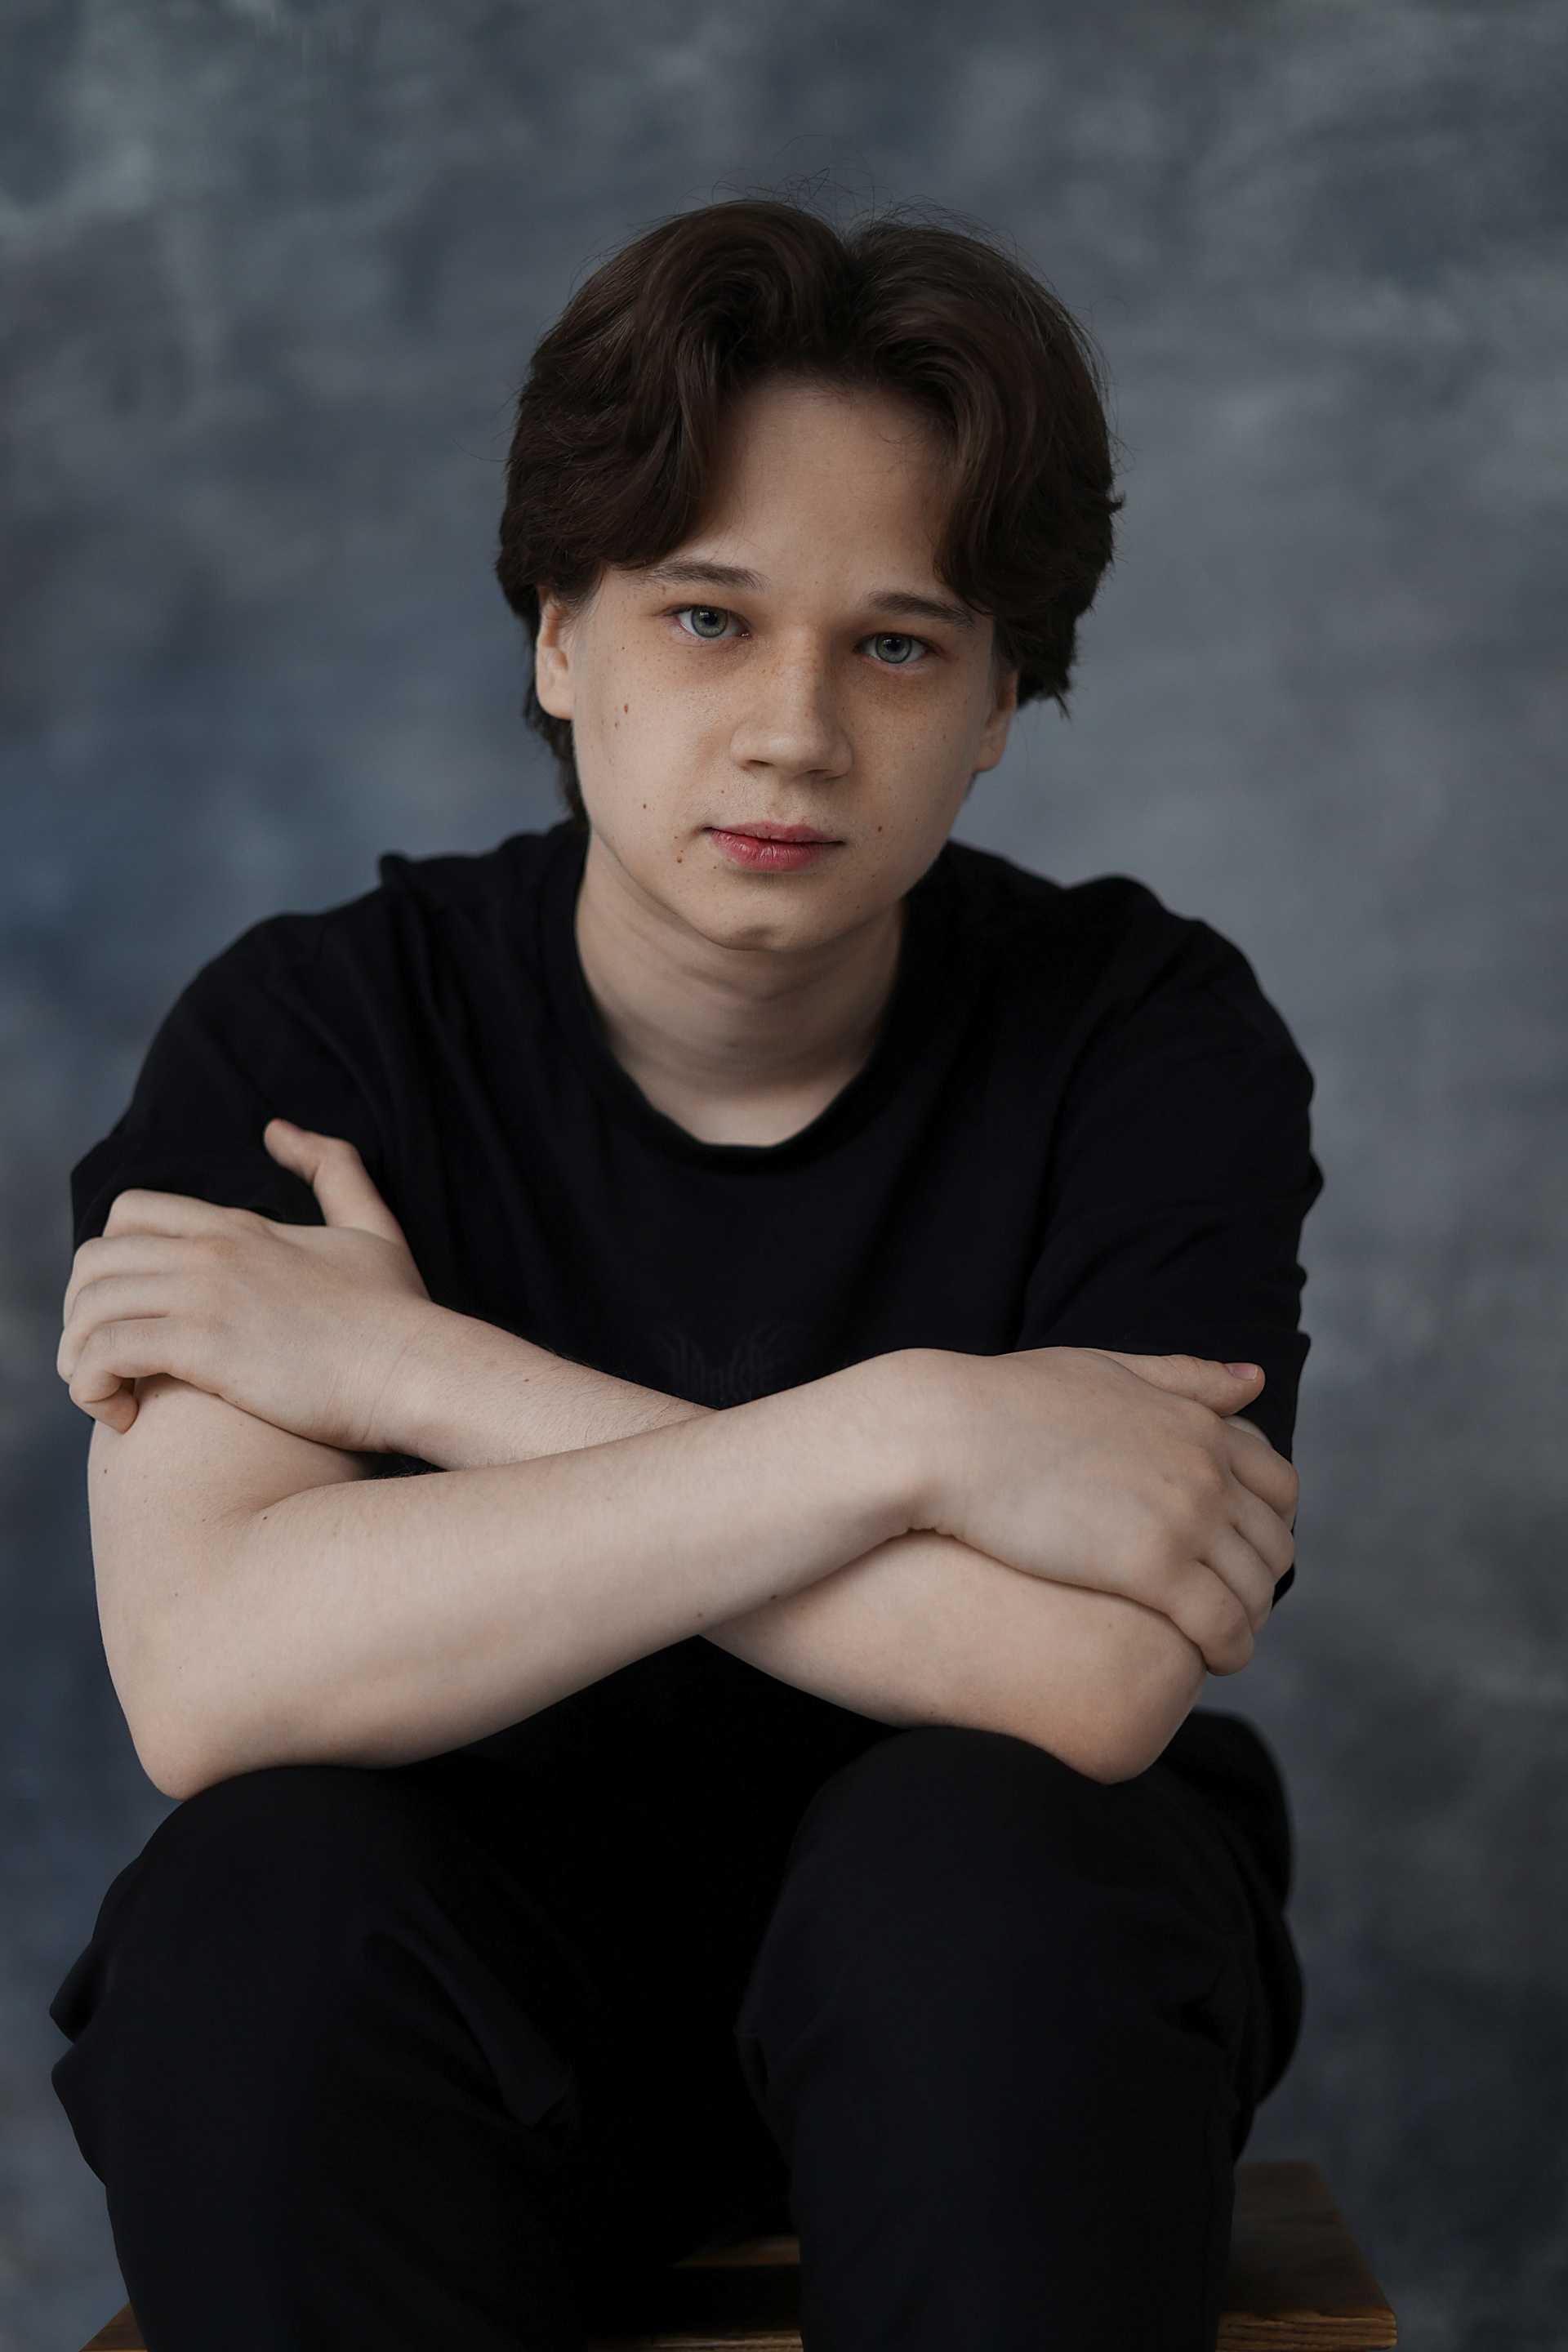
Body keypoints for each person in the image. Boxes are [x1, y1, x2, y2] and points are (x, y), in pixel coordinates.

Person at [51, 199, 1319, 2352]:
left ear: (1000, 703)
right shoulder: (314, 1038)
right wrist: (927, 1443)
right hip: (474, 2011)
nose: (794, 732)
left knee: (980, 1874)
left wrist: (419, 1375)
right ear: (562, 636)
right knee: (256, 1918)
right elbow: (210, 1675)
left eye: (898, 645)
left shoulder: (1142, 1033)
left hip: (1007, 2016)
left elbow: (1091, 1682)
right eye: (709, 618)